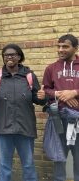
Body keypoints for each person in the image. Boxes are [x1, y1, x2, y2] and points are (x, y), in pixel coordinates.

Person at [0, 44, 47, 181]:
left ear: (19, 57)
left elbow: (38, 99)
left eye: (12, 54)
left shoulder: (29, 76)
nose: (9, 57)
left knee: (28, 164)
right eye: (6, 55)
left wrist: (43, 98)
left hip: (25, 127)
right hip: (4, 127)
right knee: (4, 165)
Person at [42, 34, 79, 181]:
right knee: (59, 156)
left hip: (78, 120)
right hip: (59, 119)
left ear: (75, 48)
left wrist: (74, 93)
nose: (60, 49)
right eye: (59, 46)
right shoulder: (51, 68)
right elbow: (45, 91)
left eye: (65, 46)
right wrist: (59, 94)